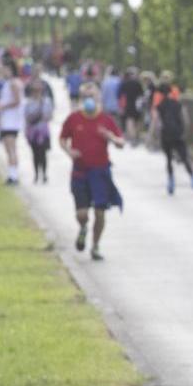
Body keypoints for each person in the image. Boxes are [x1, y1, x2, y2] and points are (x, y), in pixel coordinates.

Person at [59, 82, 124, 261]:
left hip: (100, 172)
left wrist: (110, 137)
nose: (89, 101)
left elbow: (121, 143)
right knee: (82, 213)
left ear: (98, 98)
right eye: (85, 97)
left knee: (100, 212)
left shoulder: (106, 119)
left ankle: (95, 246)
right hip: (80, 172)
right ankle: (83, 228)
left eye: (92, 97)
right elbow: (62, 139)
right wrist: (69, 152)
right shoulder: (73, 119)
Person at [153, 76, 193, 195]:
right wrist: (183, 132)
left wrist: (155, 136)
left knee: (169, 159)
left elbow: (157, 123)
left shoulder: (159, 106)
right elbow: (185, 120)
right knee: (185, 157)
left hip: (166, 135)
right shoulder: (177, 104)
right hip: (178, 134)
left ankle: (171, 182)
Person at [0, 60, 25, 185]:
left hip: (11, 121)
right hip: (8, 120)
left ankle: (13, 175)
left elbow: (16, 101)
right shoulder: (8, 83)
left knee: (11, 149)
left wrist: (2, 106)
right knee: (9, 149)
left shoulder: (14, 83)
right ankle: (12, 173)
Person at [24, 78, 54, 184]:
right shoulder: (28, 102)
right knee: (35, 154)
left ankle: (44, 174)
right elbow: (27, 117)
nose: (37, 92)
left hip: (43, 131)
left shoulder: (46, 101)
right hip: (32, 131)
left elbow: (49, 115)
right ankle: (36, 174)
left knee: (43, 153)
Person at [118, 68, 145, 145]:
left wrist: (121, 107)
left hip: (128, 104)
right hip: (137, 105)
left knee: (130, 121)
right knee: (137, 121)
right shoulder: (138, 83)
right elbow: (142, 95)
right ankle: (136, 136)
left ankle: (133, 138)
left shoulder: (124, 83)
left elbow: (121, 96)